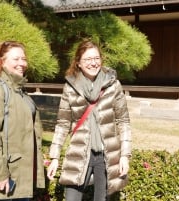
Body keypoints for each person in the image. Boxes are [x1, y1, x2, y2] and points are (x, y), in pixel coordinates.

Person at [47, 39, 132, 201]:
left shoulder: (113, 85)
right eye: (87, 59)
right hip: (79, 152)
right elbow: (62, 124)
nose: (93, 63)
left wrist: (125, 156)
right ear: (78, 63)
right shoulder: (70, 87)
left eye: (96, 58)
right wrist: (54, 157)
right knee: (72, 198)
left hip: (106, 155)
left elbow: (123, 121)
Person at [0, 41, 45, 200]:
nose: (22, 63)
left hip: (20, 176)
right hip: (5, 178)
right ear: (1, 61)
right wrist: (0, 173)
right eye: (16, 59)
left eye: (23, 59)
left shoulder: (18, 90)